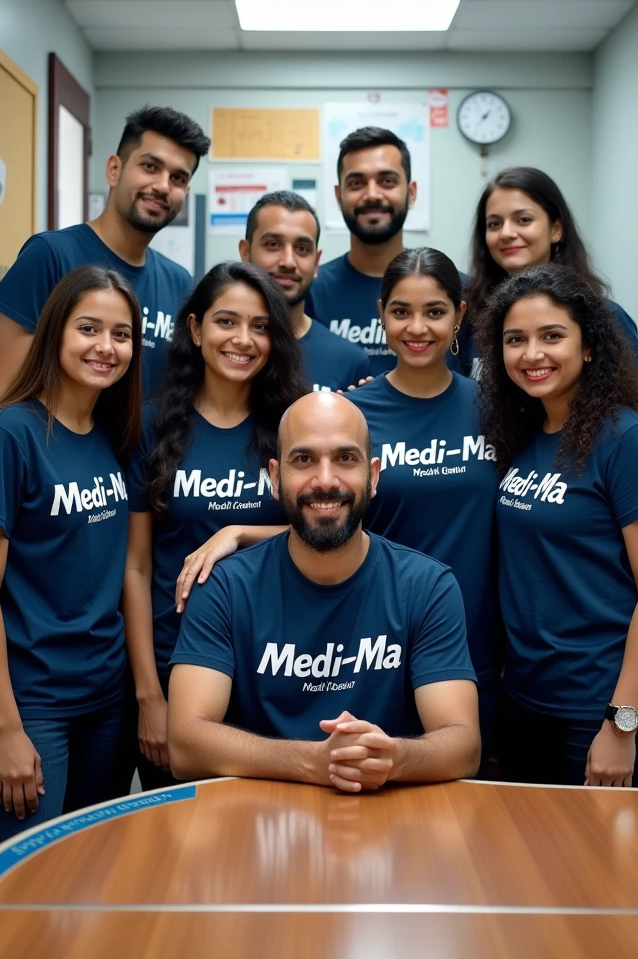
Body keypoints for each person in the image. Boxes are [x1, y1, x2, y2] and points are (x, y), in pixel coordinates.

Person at [167, 393, 481, 791]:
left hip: (389, 819)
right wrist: (312, 762)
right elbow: (184, 745)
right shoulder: (224, 587)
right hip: (259, 819)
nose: (326, 480)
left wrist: (393, 758)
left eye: (346, 459)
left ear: (374, 476)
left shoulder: (427, 586)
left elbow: (464, 744)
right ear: (276, 478)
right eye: (305, 460)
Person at [474, 264, 638, 787]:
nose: (532, 354)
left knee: (608, 868)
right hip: (528, 701)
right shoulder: (524, 435)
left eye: (551, 336)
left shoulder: (626, 441)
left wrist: (621, 724)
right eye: (516, 340)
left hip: (604, 709)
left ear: (588, 346)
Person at [123, 262, 308, 789]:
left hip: (271, 669)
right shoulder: (151, 426)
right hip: (171, 665)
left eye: (260, 326)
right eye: (227, 321)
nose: (243, 340)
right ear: (196, 328)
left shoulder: (292, 425)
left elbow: (327, 539)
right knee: (179, 849)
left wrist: (238, 533)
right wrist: (149, 696)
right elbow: (135, 568)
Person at [0, 265, 142, 847]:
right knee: (30, 899)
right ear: (54, 332)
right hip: (33, 706)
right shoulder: (9, 435)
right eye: (89, 329)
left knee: (90, 873)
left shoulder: (112, 433)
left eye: (121, 335)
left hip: (107, 701)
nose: (106, 347)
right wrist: (5, 728)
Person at [343, 247, 500, 768]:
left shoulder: (495, 407)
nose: (417, 327)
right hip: (377, 647)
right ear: (381, 313)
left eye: (434, 311)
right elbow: (321, 519)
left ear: (459, 314)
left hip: (481, 652)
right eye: (401, 311)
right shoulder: (352, 414)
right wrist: (236, 533)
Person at [0, 105, 210, 412]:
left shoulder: (179, 281)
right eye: (150, 167)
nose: (162, 186)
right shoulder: (49, 255)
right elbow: (2, 400)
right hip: (57, 458)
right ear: (114, 169)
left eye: (178, 178)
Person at [464, 166, 638, 384]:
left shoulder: (607, 316)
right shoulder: (469, 318)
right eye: (494, 224)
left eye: (523, 220)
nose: (506, 233)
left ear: (556, 229)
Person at [308, 127, 468, 378]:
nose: (372, 194)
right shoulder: (311, 292)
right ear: (339, 196)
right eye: (357, 183)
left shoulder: (458, 290)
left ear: (411, 192)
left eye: (387, 181)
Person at [239, 190, 369, 392]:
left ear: (316, 262)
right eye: (273, 245)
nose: (289, 262)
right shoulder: (223, 348)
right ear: (245, 253)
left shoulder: (348, 361)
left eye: (302, 249)